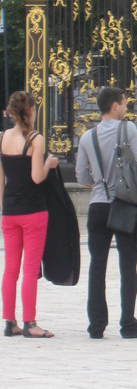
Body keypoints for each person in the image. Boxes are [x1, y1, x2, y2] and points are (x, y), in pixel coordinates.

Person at [76, 86, 137, 339]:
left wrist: (99, 181)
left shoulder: (87, 137)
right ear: (115, 105)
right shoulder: (127, 129)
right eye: (125, 103)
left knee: (97, 266)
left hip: (98, 204)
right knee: (128, 265)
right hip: (124, 203)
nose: (126, 107)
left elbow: (81, 175)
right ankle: (128, 324)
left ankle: (96, 325)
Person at [0, 91, 59, 338]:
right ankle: (30, 322)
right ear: (32, 110)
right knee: (30, 269)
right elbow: (36, 177)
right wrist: (48, 164)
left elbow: (1, 179)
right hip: (33, 210)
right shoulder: (35, 139)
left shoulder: (2, 137)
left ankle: (9, 320)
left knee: (10, 268)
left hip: (9, 211)